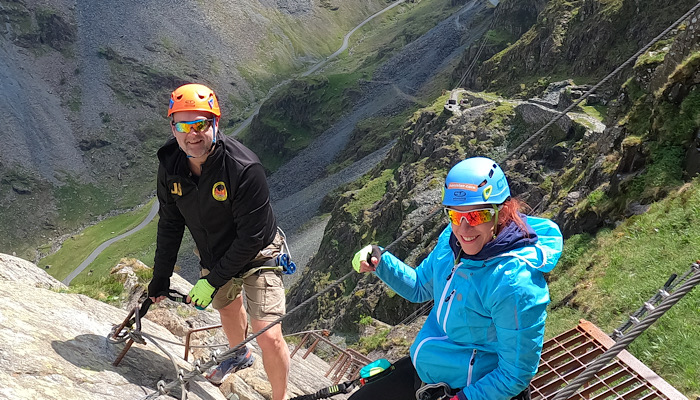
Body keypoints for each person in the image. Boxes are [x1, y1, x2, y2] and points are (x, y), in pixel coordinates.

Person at [350, 156, 563, 400]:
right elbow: (420, 287)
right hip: (434, 371)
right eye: (454, 215)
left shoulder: (514, 283)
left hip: (473, 390)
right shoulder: (450, 244)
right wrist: (381, 262)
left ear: (502, 213)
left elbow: (514, 374)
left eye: (476, 217)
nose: (463, 229)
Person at [147, 83, 290, 400]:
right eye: (184, 125)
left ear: (215, 123)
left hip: (260, 253)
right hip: (215, 250)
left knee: (269, 335)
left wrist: (211, 280)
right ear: (173, 127)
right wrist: (160, 278)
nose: (192, 134)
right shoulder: (170, 164)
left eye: (200, 124)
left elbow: (252, 237)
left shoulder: (243, 168)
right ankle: (239, 354)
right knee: (227, 307)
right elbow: (171, 223)